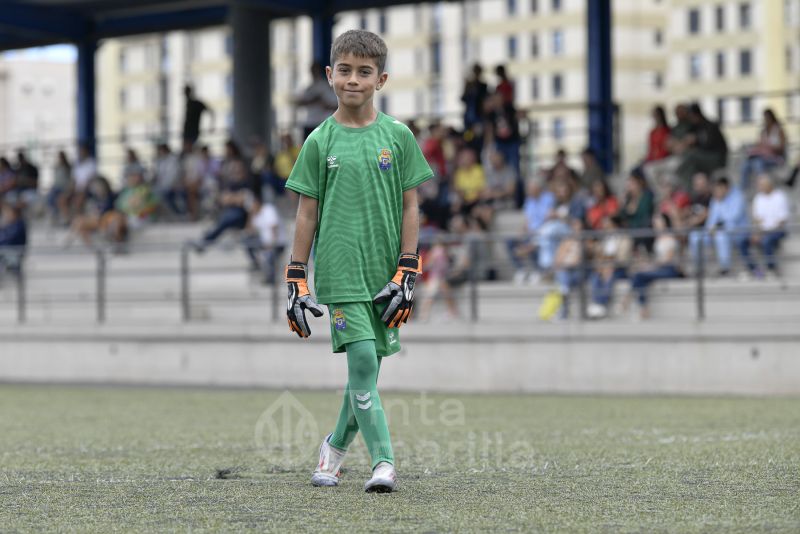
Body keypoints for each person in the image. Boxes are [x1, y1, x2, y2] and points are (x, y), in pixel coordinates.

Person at [282, 30, 433, 494]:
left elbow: (411, 206)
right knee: (364, 361)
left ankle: (332, 448)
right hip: (341, 273)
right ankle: (384, 463)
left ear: (380, 79)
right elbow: (307, 213)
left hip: (386, 274)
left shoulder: (399, 137)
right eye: (344, 70)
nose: (353, 79)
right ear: (330, 76)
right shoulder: (318, 142)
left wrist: (408, 267)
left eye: (363, 72)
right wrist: (296, 276)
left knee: (363, 374)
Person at [626, 213, 683, 319]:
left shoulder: (670, 238)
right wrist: (646, 264)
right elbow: (658, 260)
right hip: (660, 268)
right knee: (639, 276)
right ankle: (642, 307)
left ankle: (630, 300)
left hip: (670, 270)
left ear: (665, 223)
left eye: (658, 221)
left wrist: (650, 266)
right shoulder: (658, 239)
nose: (656, 224)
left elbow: (668, 260)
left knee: (639, 275)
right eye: (654, 222)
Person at [689, 176, 748, 276]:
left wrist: (716, 226)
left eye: (718, 189)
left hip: (737, 232)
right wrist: (710, 228)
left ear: (726, 188)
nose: (716, 192)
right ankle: (699, 269)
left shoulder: (738, 197)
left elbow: (733, 217)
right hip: (718, 230)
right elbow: (712, 219)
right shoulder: (716, 199)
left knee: (721, 236)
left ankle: (725, 268)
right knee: (695, 236)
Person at [740, 174, 791, 278]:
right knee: (742, 241)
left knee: (767, 240)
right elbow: (757, 219)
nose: (759, 187)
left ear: (770, 185)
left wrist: (765, 232)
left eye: (762, 185)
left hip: (778, 230)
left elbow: (782, 220)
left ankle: (771, 269)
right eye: (759, 185)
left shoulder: (780, 196)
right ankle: (753, 269)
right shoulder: (758, 198)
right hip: (762, 231)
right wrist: (757, 233)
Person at [507, 178, 555, 283]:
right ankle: (521, 270)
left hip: (543, 232)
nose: (528, 191)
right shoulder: (529, 201)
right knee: (510, 241)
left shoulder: (549, 198)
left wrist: (535, 233)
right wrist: (521, 233)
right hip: (531, 233)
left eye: (530, 188)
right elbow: (528, 221)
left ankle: (539, 271)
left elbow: (549, 219)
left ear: (538, 188)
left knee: (533, 243)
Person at [675, 103, 728, 188]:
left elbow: (709, 145)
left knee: (691, 155)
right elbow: (686, 139)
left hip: (716, 158)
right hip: (702, 159)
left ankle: (678, 173)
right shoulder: (695, 127)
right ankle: (689, 189)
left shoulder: (710, 126)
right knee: (689, 162)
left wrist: (696, 140)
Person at [739, 109, 787, 190]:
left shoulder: (779, 130)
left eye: (767, 117)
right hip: (763, 156)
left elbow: (782, 147)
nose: (765, 120)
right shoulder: (763, 131)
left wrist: (770, 147)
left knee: (758, 163)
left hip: (775, 158)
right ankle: (744, 188)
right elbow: (759, 145)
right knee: (745, 165)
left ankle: (763, 186)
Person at [243, 197, 286, 284]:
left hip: (277, 243)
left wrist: (272, 244)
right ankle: (256, 263)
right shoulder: (256, 215)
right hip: (265, 242)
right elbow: (249, 231)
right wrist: (250, 216)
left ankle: (271, 278)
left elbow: (274, 227)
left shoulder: (268, 210)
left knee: (270, 256)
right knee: (247, 242)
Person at [295, 62, 339, 139]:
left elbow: (335, 105)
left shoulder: (326, 86)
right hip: (309, 122)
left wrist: (322, 102)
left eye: (315, 70)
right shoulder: (309, 87)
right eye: (312, 70)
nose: (313, 72)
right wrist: (314, 100)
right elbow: (298, 103)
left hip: (322, 123)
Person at [461, 63, 488, 130]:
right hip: (469, 115)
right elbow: (463, 98)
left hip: (478, 114)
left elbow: (485, 99)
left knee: (478, 134)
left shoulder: (483, 85)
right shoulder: (469, 85)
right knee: (468, 135)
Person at [48, 151, 72, 225]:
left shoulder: (68, 168)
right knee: (50, 198)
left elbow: (70, 181)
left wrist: (67, 192)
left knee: (61, 200)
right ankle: (54, 216)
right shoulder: (57, 167)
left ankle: (65, 218)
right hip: (56, 188)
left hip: (64, 189)